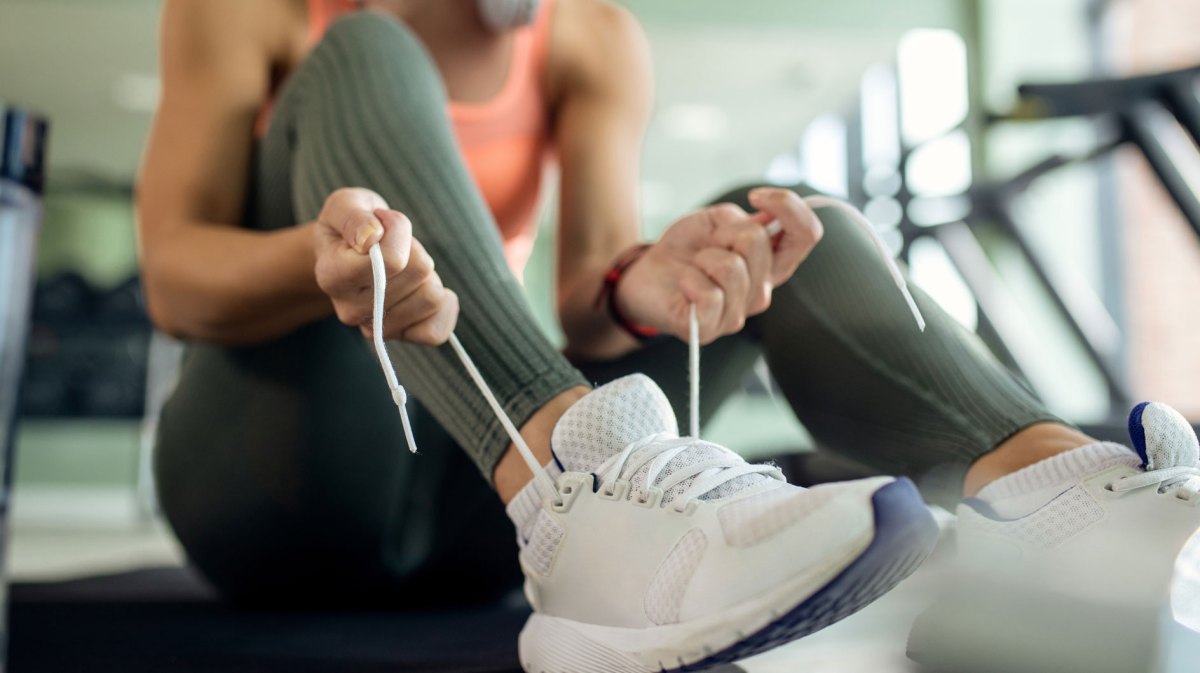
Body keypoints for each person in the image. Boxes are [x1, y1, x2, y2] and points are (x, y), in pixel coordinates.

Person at [136, 0, 1200, 671]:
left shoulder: (588, 32)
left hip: (472, 501)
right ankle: (576, 491)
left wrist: (644, 281)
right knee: (369, 44)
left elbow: (583, 296)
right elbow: (174, 276)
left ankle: (1083, 513)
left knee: (782, 222)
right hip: (277, 477)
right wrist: (325, 264)